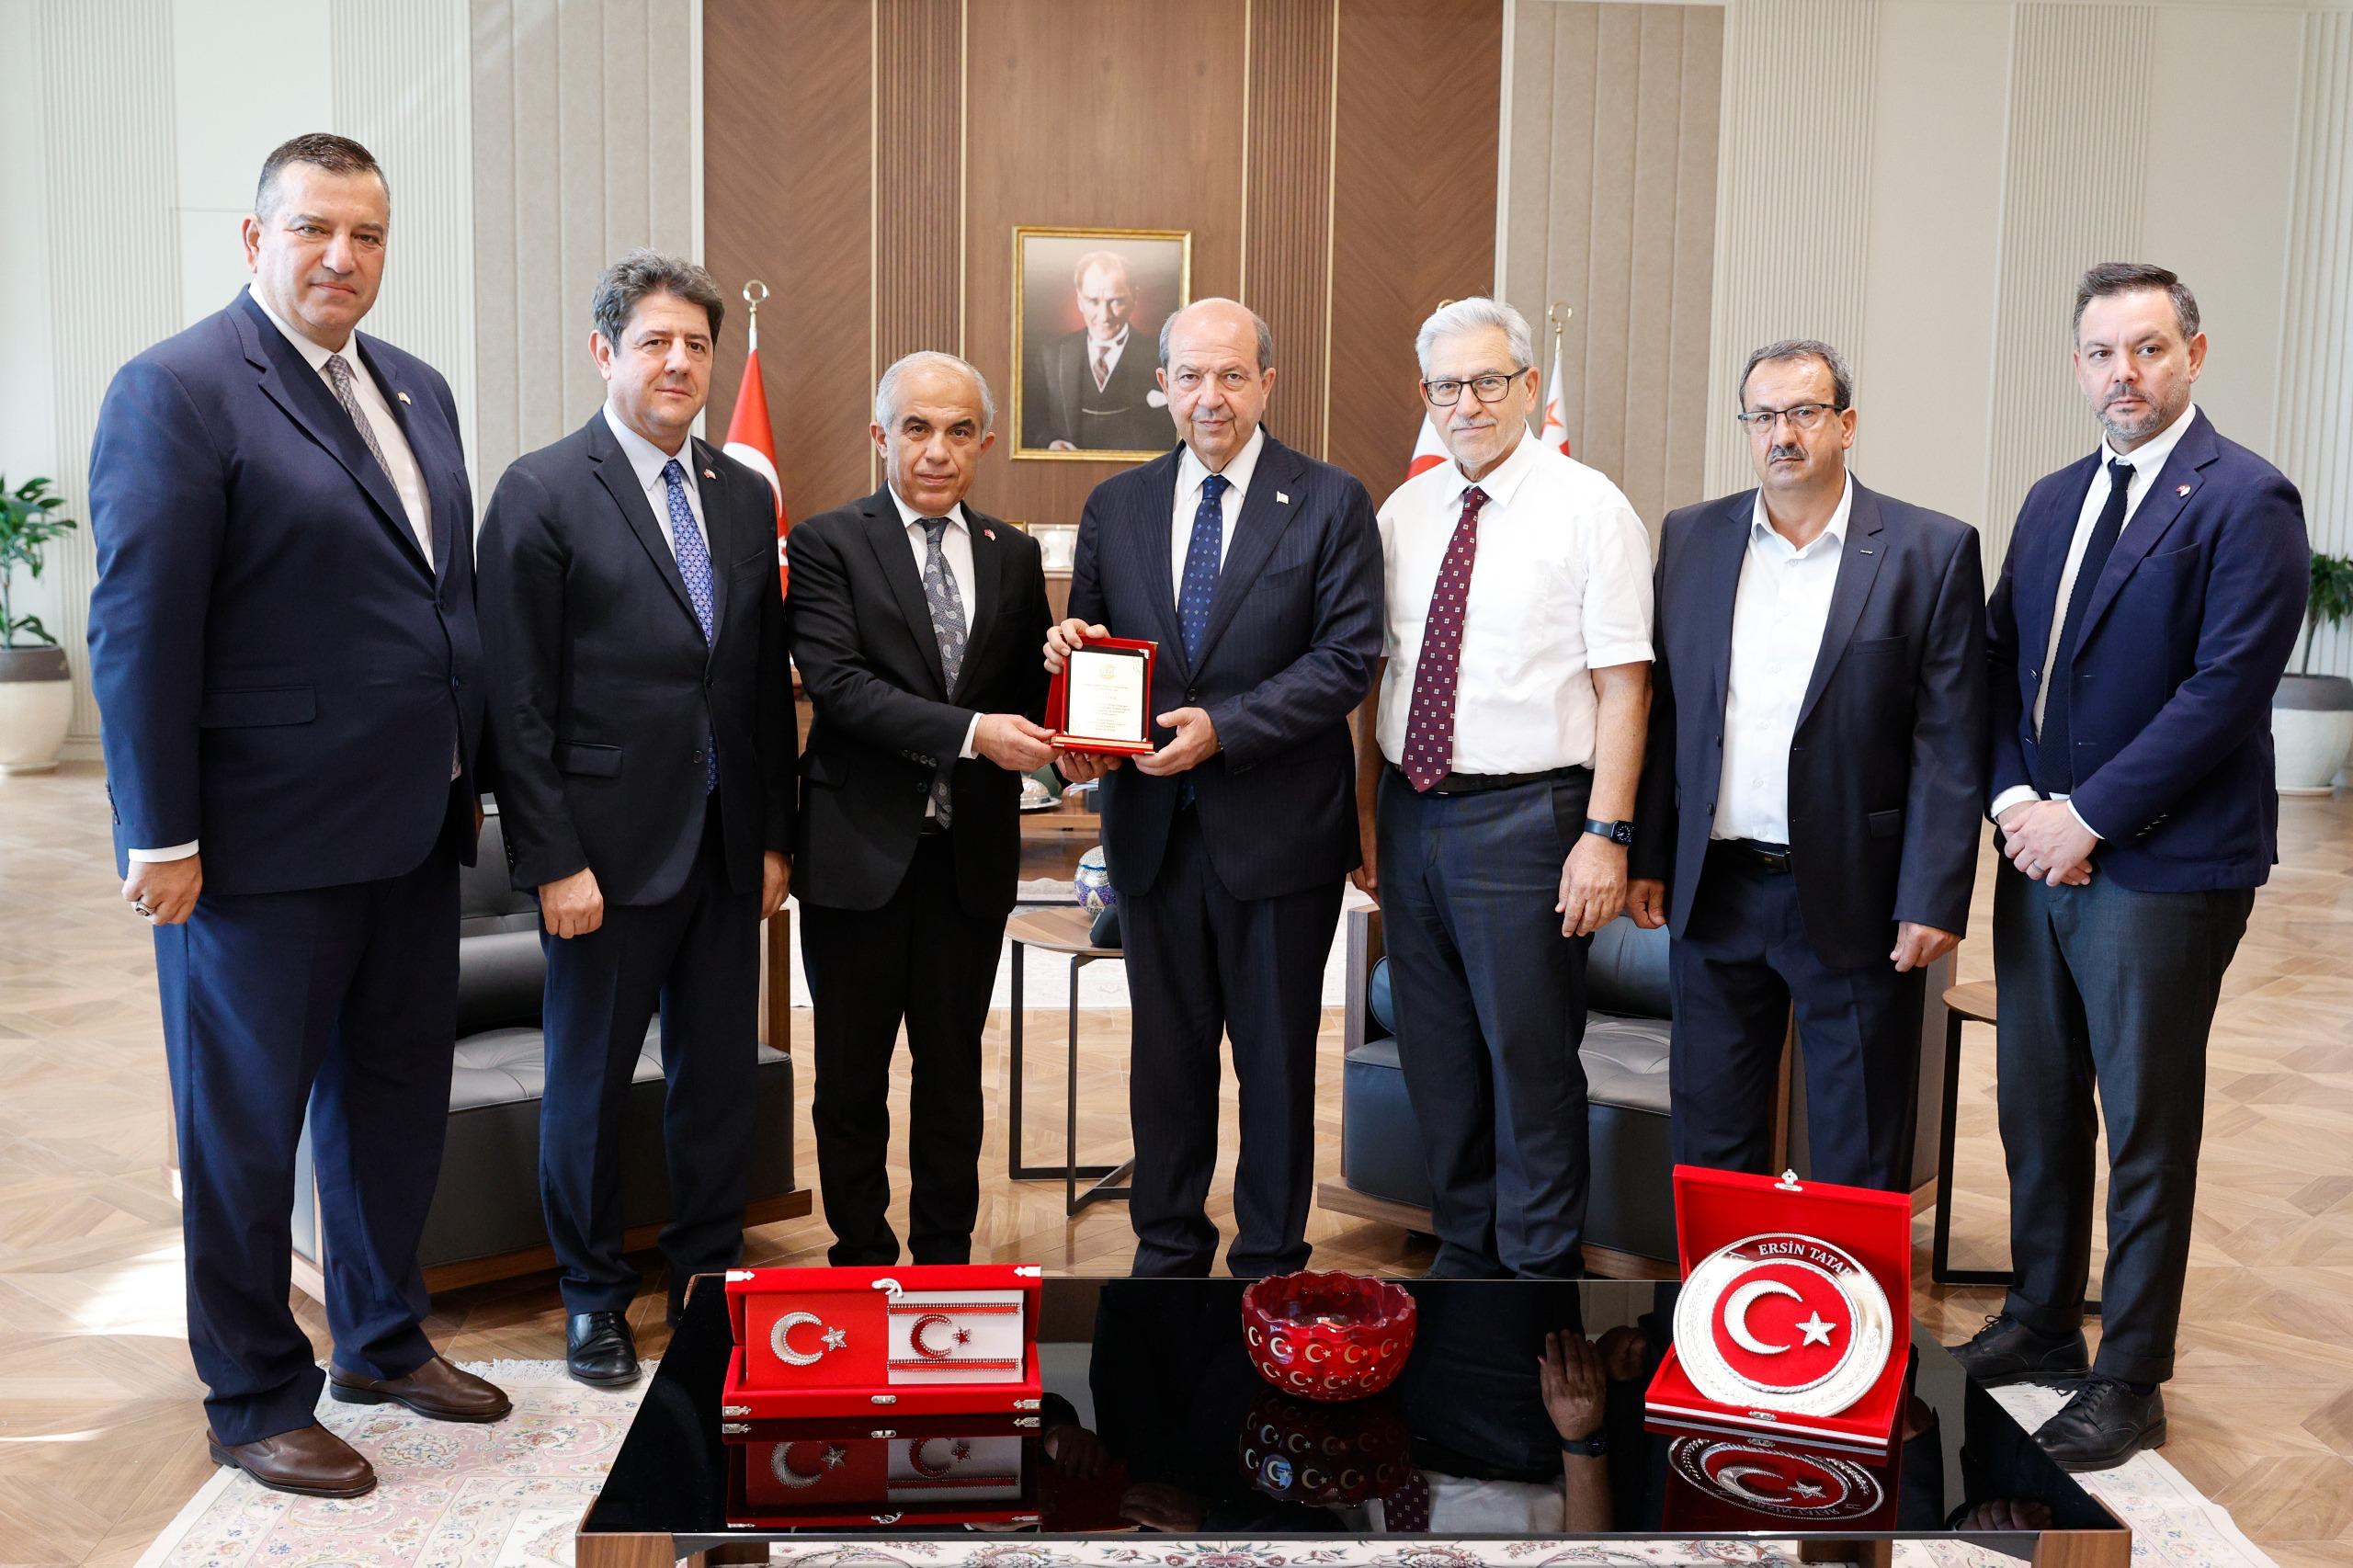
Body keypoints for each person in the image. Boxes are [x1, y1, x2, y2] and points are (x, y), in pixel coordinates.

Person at [85, 133, 508, 1499]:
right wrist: (159, 832)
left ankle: (381, 1338)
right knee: (244, 1131)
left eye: (367, 234)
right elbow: (140, 626)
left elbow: (446, 600)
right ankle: (255, 1392)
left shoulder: (419, 387)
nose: (342, 256)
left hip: (413, 827)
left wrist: (473, 771)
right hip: (254, 849)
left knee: (393, 1104)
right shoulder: (178, 388)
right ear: (254, 238)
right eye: (314, 228)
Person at [1949, 263, 2309, 1470]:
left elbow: (2224, 692)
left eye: (2148, 348)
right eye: (2103, 352)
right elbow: (1996, 665)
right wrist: (2016, 802)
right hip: (2036, 851)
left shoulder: (2246, 498)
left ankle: (2130, 1372)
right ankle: (2041, 1317)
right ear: (2077, 366)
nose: (2125, 373)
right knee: (2036, 1102)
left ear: (2192, 355)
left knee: (2145, 1123)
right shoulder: (2053, 498)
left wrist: (2088, 817)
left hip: (2162, 866)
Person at [474, 251, 796, 1385]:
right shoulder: (541, 489)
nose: (678, 363)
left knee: (716, 1082)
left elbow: (756, 682)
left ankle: (707, 1282)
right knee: (591, 1085)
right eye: (655, 341)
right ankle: (592, 1295)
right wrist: (551, 858)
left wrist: (772, 834)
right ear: (604, 351)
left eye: (696, 345)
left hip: (723, 846)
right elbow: (514, 699)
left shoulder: (742, 493)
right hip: (602, 859)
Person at [1048, 297, 1383, 1278]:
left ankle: (1271, 1262)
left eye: (1232, 375)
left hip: (1278, 833)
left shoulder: (1330, 500)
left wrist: (1223, 731)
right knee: (1166, 1059)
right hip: (1151, 833)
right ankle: (1167, 1249)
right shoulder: (1118, 503)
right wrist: (1071, 679)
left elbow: (1344, 660)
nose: (1211, 396)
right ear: (1161, 385)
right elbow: (1098, 647)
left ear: (1266, 383)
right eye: (1190, 375)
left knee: (1275, 1062)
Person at [1627, 339, 1986, 1193]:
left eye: (1804, 412)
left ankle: (1849, 1289)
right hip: (1716, 889)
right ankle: (1720, 1282)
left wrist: (1933, 895)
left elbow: (1948, 742)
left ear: (1846, 424)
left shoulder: (1929, 549)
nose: (1782, 434)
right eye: (1762, 416)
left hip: (1856, 894)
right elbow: (1668, 709)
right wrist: (1649, 855)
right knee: (1710, 1136)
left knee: (1858, 1144)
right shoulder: (1692, 536)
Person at [1350, 297, 1652, 1278]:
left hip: (1532, 819)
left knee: (1529, 1059)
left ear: (1527, 386)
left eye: (1487, 381)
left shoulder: (1590, 508)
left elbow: (1625, 686)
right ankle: (1466, 1253)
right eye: (1446, 386)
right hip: (1413, 813)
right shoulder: (1403, 512)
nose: (1467, 404)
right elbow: (1378, 679)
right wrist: (1367, 816)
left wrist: (1605, 834)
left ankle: (1534, 1273)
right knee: (1437, 1055)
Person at [788, 351, 1055, 1266]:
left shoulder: (1013, 554)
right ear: (881, 435)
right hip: (855, 856)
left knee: (953, 1077)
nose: (936, 450)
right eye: (916, 428)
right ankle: (861, 1258)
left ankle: (946, 1263)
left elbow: (1027, 697)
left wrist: (1070, 670)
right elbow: (840, 687)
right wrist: (976, 732)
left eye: (957, 431)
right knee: (850, 1081)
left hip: (967, 862)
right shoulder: (828, 542)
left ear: (984, 442)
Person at [1027, 250, 1170, 453]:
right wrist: (1050, 443)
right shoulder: (1050, 355)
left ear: (1134, 298)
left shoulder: (1161, 356)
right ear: (1079, 300)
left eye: (1116, 301)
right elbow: (1030, 419)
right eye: (1094, 301)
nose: (1104, 316)